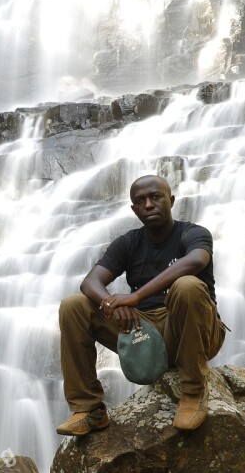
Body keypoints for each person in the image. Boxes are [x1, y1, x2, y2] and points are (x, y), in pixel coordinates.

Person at [56, 175, 227, 436]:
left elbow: (195, 261)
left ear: (170, 200)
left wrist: (134, 297)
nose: (148, 204)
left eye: (155, 197)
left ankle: (193, 391)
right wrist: (111, 303)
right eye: (140, 201)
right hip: (143, 332)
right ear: (134, 209)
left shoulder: (193, 233)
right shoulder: (129, 242)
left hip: (191, 328)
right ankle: (88, 409)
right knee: (73, 306)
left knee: (187, 286)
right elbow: (90, 282)